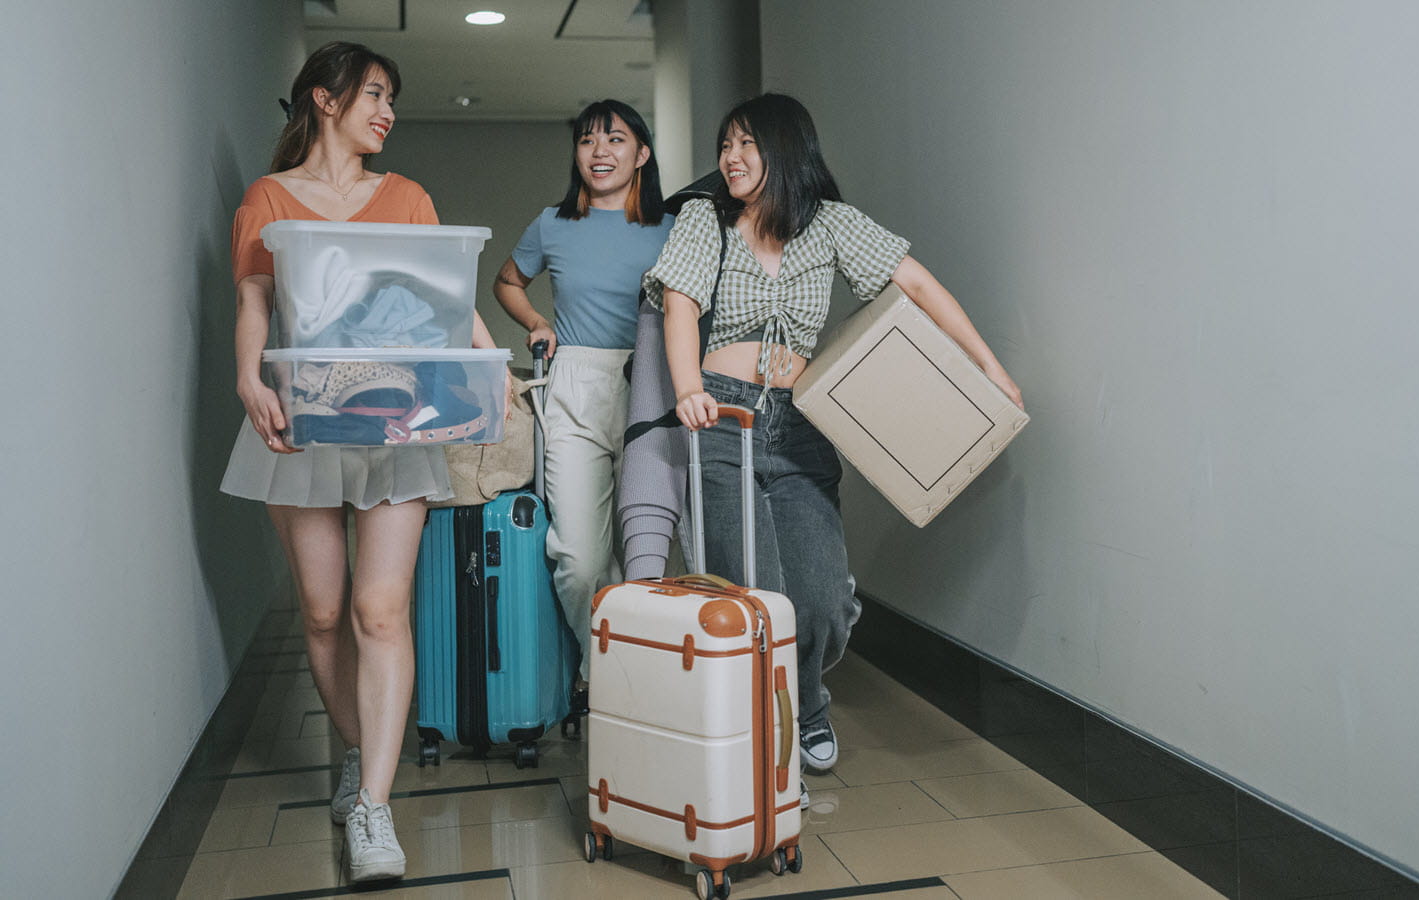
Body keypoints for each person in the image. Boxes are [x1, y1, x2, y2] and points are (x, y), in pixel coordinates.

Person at [644, 93, 1023, 781]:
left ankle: (807, 700)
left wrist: (991, 371)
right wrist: (688, 389)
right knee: (754, 595)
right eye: (725, 145)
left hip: (800, 427)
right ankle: (767, 732)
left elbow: (916, 285)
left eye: (746, 144)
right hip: (722, 420)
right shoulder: (706, 218)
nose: (730, 157)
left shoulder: (829, 224)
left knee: (821, 606)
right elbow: (680, 305)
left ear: (785, 148)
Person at [221, 41, 502, 883]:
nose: (387, 111)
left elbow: (448, 301)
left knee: (380, 611)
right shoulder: (269, 198)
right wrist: (247, 377)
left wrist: (492, 371)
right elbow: (254, 299)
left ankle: (375, 807)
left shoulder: (407, 197)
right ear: (325, 98)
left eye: (390, 98)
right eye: (374, 94)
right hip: (304, 416)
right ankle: (356, 750)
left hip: (395, 421)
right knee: (322, 613)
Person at [492, 100, 672, 704]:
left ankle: (651, 683)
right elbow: (507, 281)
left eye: (615, 139)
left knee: (652, 550)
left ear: (641, 154)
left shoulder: (674, 229)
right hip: (575, 386)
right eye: (588, 140)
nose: (599, 151)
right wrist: (537, 322)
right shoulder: (552, 224)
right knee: (579, 558)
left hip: (654, 385)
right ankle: (608, 675)